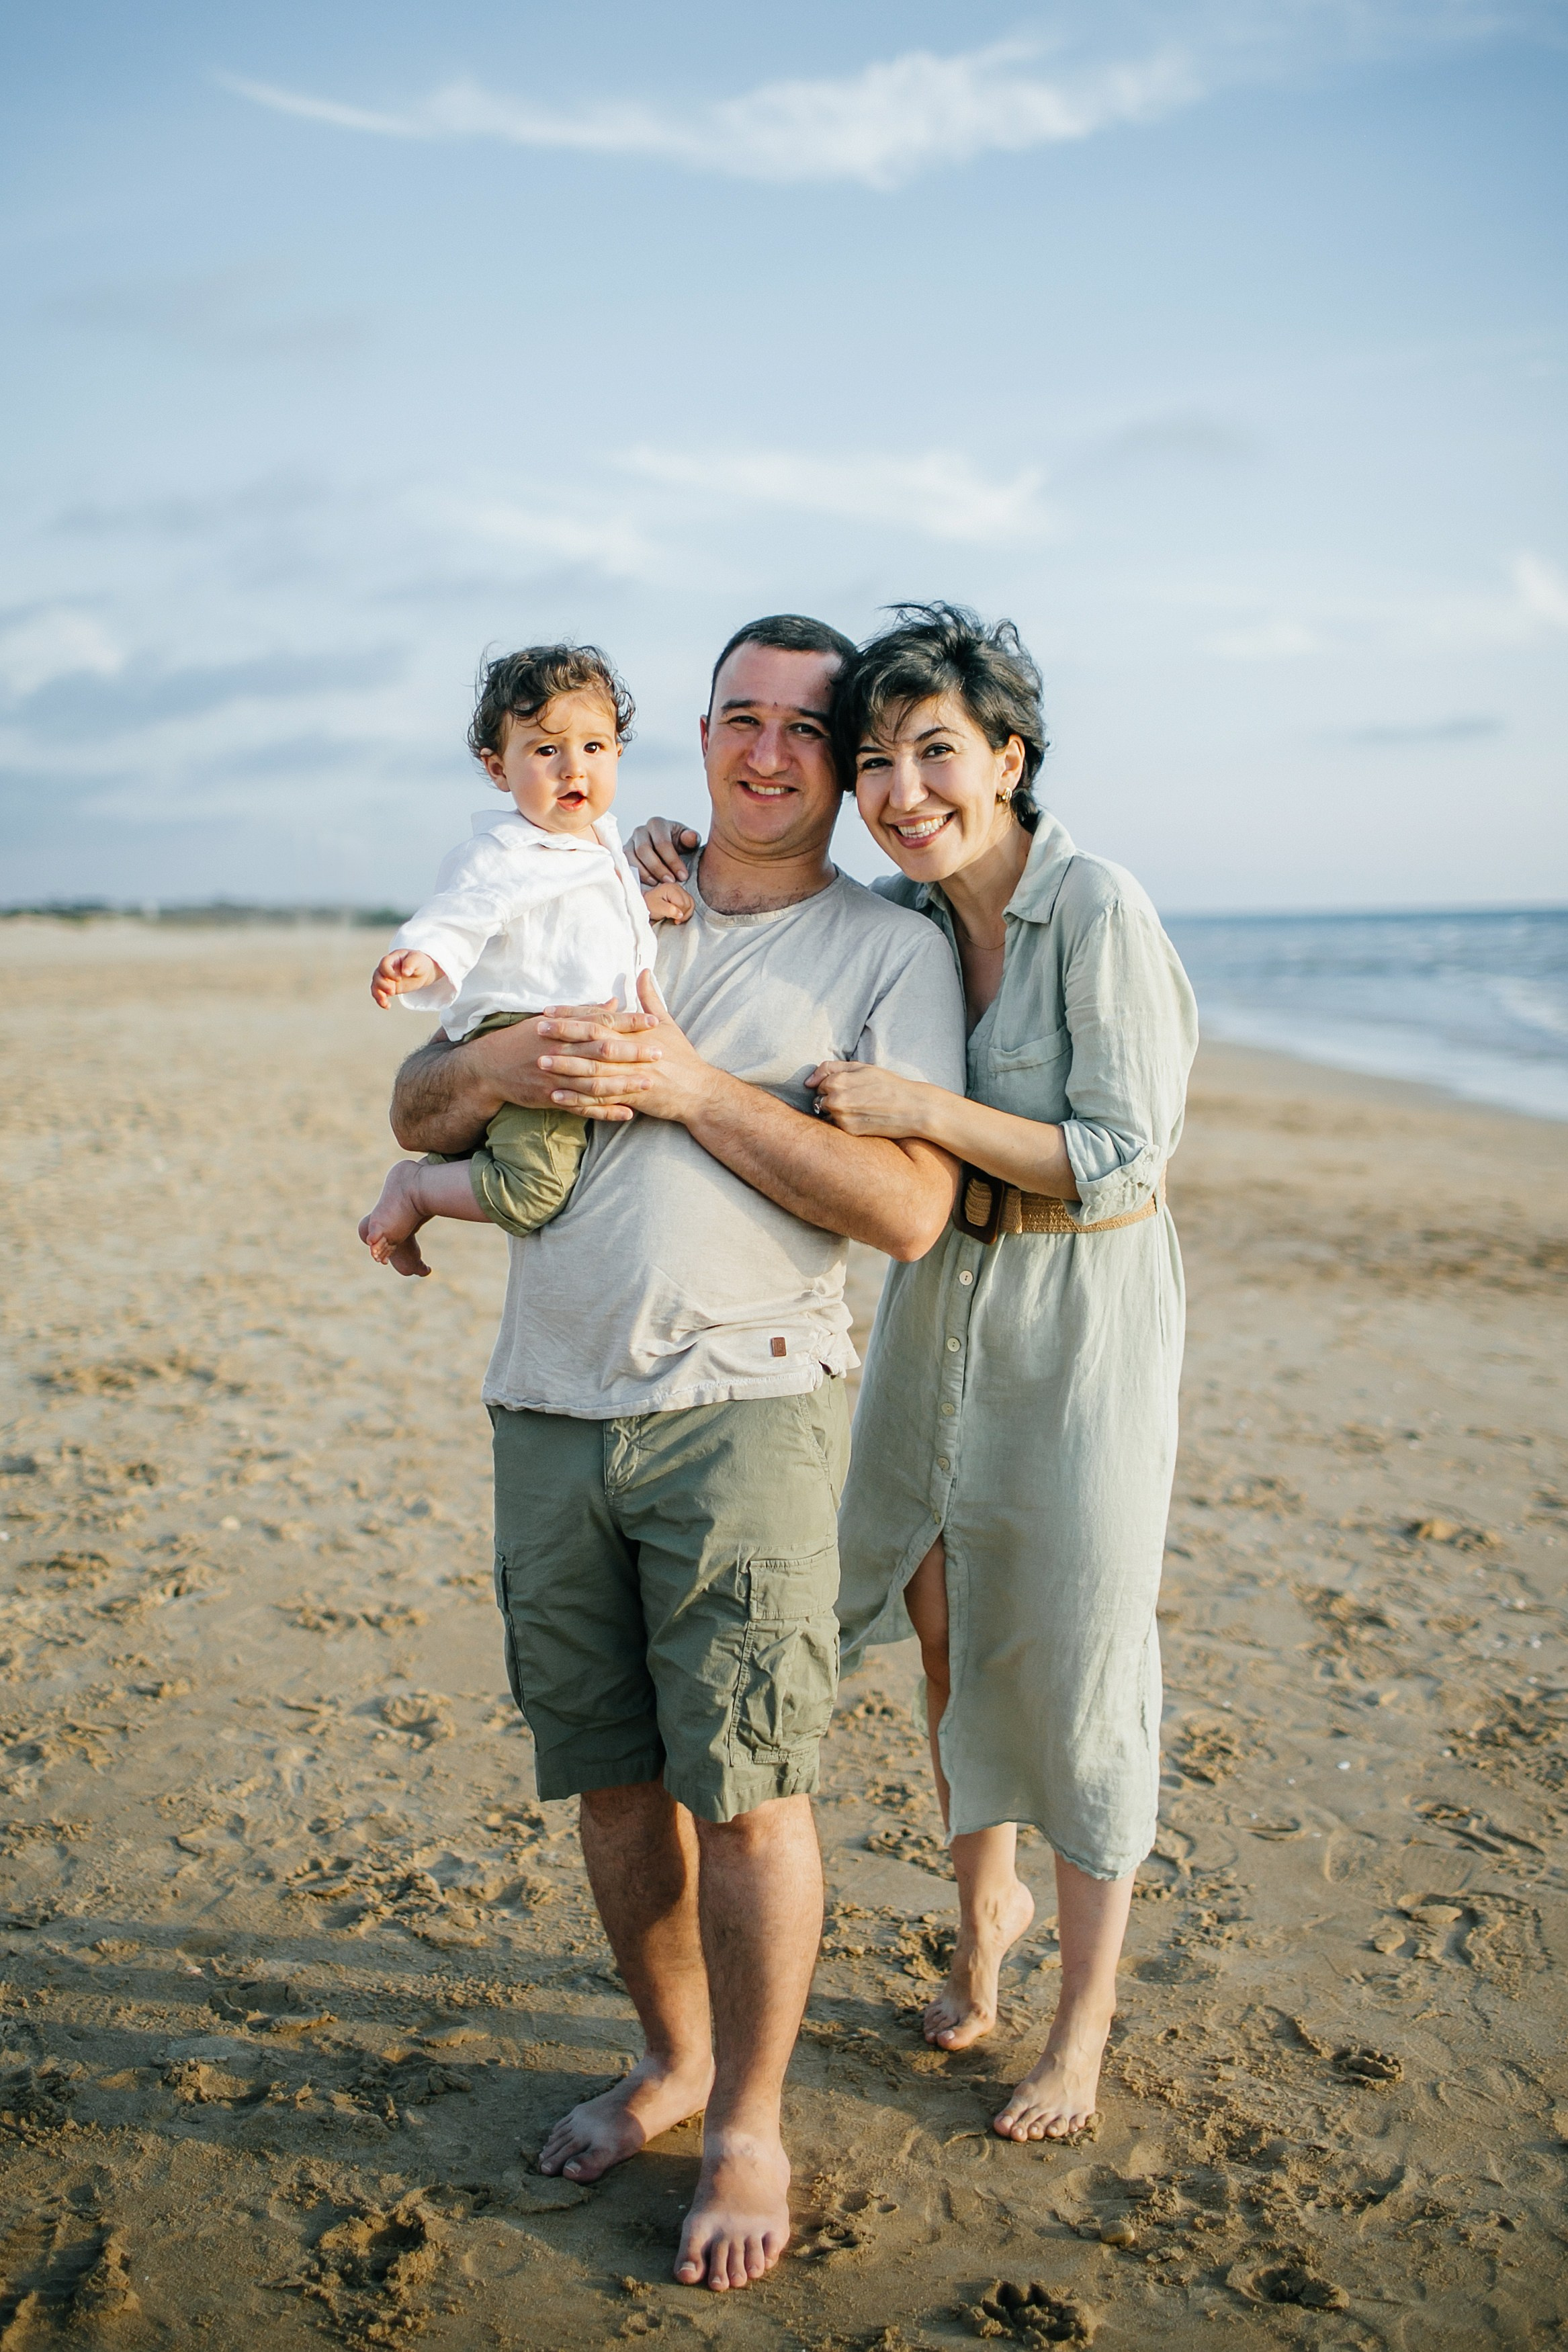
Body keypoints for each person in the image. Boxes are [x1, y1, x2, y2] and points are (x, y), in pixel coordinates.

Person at [384, 615, 966, 2292]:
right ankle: (670, 2060)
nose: (766, 752)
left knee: (753, 1789)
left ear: (843, 756)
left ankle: (750, 2122)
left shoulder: (889, 951)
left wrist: (695, 1087)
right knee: (614, 1777)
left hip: (748, 1409)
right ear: (696, 736)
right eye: (737, 717)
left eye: (806, 727)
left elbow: (910, 1212)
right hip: (547, 1403)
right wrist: (500, 1058)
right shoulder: (597, 877)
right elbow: (418, 1110)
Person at [634, 601, 1197, 2149]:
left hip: (1080, 1323)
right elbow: (773, 919)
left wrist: (924, 1113)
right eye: (873, 760)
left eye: (934, 752)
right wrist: (658, 852)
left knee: (1078, 1659)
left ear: (1009, 756)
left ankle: (1081, 2023)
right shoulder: (911, 916)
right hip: (941, 1310)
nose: (899, 790)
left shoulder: (1094, 907)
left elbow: (1121, 1156)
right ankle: (982, 1920)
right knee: (943, 1630)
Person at [357, 643, 686, 1278]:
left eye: (593, 747)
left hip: (558, 1027)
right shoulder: (502, 850)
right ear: (498, 768)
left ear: (618, 752)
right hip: (526, 1029)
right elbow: (463, 909)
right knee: (533, 1189)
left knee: (522, 1153)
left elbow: (579, 919)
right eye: (546, 751)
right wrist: (425, 954)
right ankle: (417, 1190)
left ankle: (438, 1176)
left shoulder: (598, 842)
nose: (573, 768)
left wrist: (642, 907)